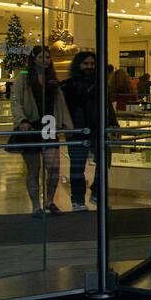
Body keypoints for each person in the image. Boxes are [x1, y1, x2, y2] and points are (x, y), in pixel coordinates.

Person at [11, 45, 69, 217]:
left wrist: (65, 123)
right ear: (33, 59)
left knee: (53, 168)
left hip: (49, 124)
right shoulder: (23, 77)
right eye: (41, 57)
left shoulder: (52, 78)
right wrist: (21, 120)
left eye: (47, 57)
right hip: (31, 125)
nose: (44, 61)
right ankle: (36, 205)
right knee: (33, 168)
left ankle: (49, 201)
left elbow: (60, 103)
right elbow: (16, 100)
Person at [59, 51, 117, 211]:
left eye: (92, 64)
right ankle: (78, 200)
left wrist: (113, 124)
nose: (89, 67)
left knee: (104, 161)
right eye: (86, 63)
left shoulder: (100, 85)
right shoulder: (68, 86)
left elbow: (107, 107)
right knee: (77, 167)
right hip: (77, 131)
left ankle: (97, 194)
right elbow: (63, 110)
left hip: (97, 130)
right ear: (79, 64)